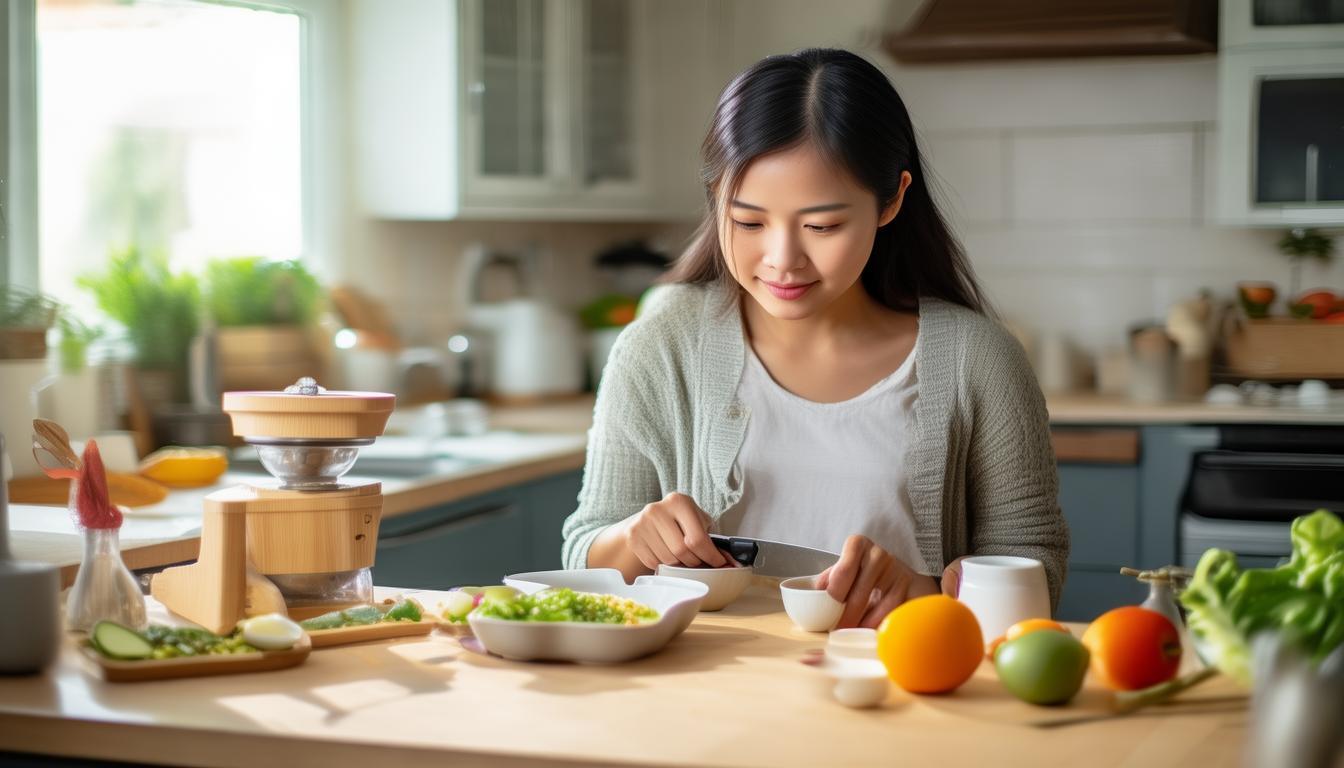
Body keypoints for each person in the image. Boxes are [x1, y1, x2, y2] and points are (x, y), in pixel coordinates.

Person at [562, 48, 1068, 629]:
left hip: (904, 694)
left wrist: (922, 592)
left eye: (822, 226)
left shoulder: (979, 361)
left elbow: (1037, 571)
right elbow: (583, 550)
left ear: (893, 199)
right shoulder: (661, 344)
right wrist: (634, 537)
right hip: (705, 701)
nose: (783, 261)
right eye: (748, 221)